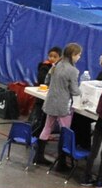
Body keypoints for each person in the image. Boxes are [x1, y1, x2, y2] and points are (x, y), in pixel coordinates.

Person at [32, 42, 81, 170]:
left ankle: (39, 155)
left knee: (47, 128)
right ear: (74, 55)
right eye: (79, 55)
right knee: (65, 132)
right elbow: (75, 91)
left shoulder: (56, 65)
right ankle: (61, 162)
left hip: (50, 102)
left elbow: (47, 80)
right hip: (62, 105)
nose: (79, 58)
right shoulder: (73, 71)